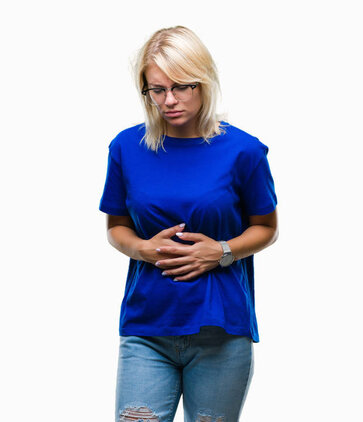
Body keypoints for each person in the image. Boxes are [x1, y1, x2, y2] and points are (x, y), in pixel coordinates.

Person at [99, 26, 278, 422]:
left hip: (221, 328)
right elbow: (117, 225)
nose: (170, 100)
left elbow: (266, 227)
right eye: (157, 90)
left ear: (204, 80)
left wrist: (222, 251)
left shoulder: (243, 150)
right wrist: (142, 248)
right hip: (147, 327)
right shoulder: (126, 148)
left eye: (182, 87)